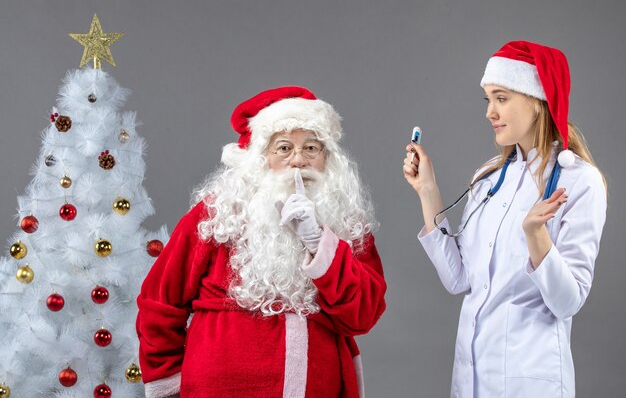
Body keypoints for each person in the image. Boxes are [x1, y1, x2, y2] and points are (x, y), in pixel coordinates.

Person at [136, 86, 386, 398]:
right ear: (259, 158)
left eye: (311, 148)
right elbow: (159, 302)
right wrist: (170, 384)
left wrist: (318, 241)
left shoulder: (346, 222)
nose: (298, 160)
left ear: (327, 158)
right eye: (283, 148)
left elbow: (364, 315)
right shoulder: (216, 214)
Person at [402, 41, 606, 398]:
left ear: (536, 100)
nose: (489, 112)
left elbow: (568, 301)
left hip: (529, 382)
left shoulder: (579, 181)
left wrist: (535, 235)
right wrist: (428, 190)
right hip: (471, 381)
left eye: (501, 98)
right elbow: (458, 278)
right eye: (488, 99)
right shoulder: (488, 178)